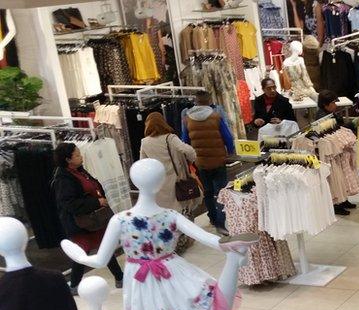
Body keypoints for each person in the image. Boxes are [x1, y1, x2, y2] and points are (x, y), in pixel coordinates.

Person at [51, 142, 124, 294]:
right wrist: (96, 202)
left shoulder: (79, 171)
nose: (81, 156)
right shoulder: (63, 179)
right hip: (81, 224)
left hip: (93, 220)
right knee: (81, 254)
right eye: (77, 155)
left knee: (106, 247)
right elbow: (69, 204)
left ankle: (119, 278)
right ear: (67, 159)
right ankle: (75, 285)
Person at [139, 112, 200, 252]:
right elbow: (188, 150)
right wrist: (191, 160)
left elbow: (142, 162)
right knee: (181, 211)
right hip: (176, 182)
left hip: (158, 184)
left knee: (165, 214)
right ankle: (183, 241)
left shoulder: (145, 142)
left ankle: (169, 242)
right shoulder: (170, 138)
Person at [183, 90, 235, 235]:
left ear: (196, 101)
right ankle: (221, 222)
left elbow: (185, 141)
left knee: (207, 192)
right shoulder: (216, 117)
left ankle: (212, 217)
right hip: (218, 159)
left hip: (200, 162)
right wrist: (230, 151)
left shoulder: (187, 119)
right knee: (221, 191)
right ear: (209, 101)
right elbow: (228, 138)